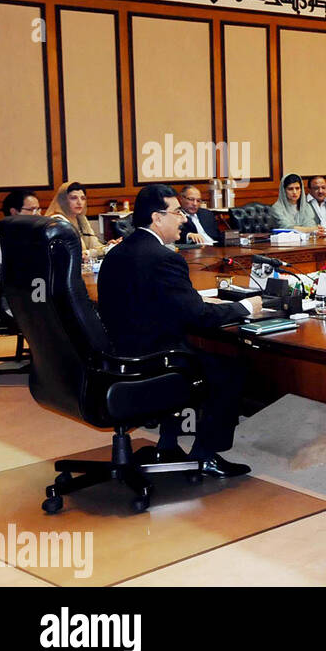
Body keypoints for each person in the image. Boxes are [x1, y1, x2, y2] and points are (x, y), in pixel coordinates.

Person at [98, 184, 263, 478]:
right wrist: (245, 308)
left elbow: (147, 298)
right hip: (156, 359)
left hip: (120, 354)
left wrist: (189, 300)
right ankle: (205, 455)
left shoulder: (117, 253)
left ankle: (168, 442)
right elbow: (197, 316)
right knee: (230, 369)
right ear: (157, 218)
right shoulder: (164, 257)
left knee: (205, 357)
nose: (184, 218)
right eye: (177, 212)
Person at [0, 190, 40, 315]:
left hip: (16, 299)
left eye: (39, 209)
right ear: (14, 212)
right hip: (1, 305)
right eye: (32, 209)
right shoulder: (0, 238)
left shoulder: (20, 235)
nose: (38, 214)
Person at [45, 181, 104, 257]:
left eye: (83, 198)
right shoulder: (58, 222)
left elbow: (94, 244)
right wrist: (97, 252)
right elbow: (79, 253)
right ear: (63, 200)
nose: (79, 202)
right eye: (74, 198)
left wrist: (108, 246)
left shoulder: (81, 218)